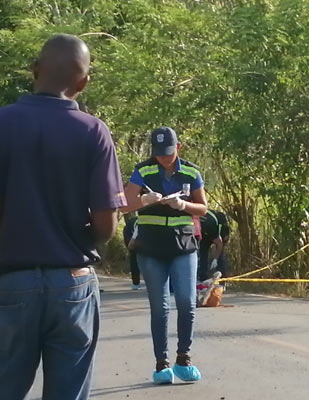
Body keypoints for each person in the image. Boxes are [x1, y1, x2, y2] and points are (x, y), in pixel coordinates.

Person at [0, 34, 126, 400]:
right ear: (83, 82)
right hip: (72, 282)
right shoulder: (93, 131)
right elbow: (106, 225)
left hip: (9, 283)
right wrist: (74, 234)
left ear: (35, 70)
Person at [122, 126, 207, 384]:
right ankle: (162, 364)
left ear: (178, 148)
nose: (164, 158)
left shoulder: (191, 171)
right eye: (159, 154)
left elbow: (202, 208)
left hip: (183, 245)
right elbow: (124, 203)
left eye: (169, 153)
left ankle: (184, 357)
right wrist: (145, 200)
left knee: (186, 301)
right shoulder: (143, 170)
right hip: (151, 247)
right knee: (160, 308)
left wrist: (182, 205)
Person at [198, 210, 230, 282]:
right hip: (204, 234)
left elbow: (219, 243)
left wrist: (215, 259)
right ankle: (203, 279)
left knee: (220, 255)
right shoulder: (194, 220)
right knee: (202, 254)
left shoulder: (209, 224)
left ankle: (222, 280)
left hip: (217, 232)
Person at [123, 214, 142, 290]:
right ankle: (136, 283)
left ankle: (136, 283)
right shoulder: (140, 221)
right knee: (134, 257)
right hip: (131, 235)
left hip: (137, 239)